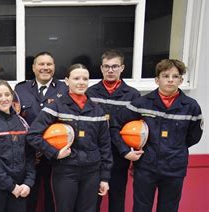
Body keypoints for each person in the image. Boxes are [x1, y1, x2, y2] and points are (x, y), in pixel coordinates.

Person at [110, 59, 203, 212]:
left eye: (175, 76)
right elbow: (115, 125)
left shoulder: (191, 106)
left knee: (169, 208)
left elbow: (194, 136)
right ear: (157, 79)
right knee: (141, 208)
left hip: (175, 168)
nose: (170, 80)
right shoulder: (141, 103)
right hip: (146, 167)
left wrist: (174, 148)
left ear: (181, 80)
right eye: (166, 76)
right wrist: (125, 151)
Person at [27, 64, 112, 212]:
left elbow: (105, 146)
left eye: (85, 79)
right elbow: (33, 135)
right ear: (67, 81)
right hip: (66, 171)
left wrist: (104, 177)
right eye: (76, 78)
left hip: (92, 172)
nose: (81, 82)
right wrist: (55, 153)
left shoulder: (97, 110)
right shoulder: (56, 107)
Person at [86, 49, 140, 212]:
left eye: (115, 66)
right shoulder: (90, 93)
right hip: (95, 155)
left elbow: (137, 126)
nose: (110, 70)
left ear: (122, 68)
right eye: (106, 66)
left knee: (117, 198)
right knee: (92, 200)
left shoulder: (132, 95)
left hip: (120, 155)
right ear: (101, 68)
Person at [14, 51, 67, 212]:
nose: (45, 68)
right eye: (41, 64)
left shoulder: (64, 89)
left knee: (54, 197)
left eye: (49, 64)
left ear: (54, 67)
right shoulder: (20, 89)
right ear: (34, 67)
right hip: (30, 154)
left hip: (56, 154)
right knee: (28, 196)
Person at [0, 80, 36, 212]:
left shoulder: (22, 123)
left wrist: (28, 183)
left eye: (7, 94)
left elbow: (30, 156)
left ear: (12, 96)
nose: (4, 99)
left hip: (21, 189)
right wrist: (11, 186)